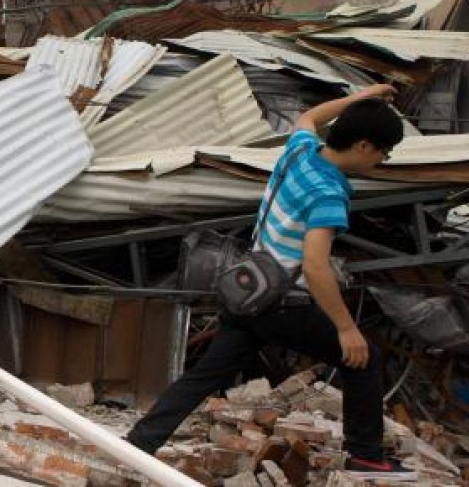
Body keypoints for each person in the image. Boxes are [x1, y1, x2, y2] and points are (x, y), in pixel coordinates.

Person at [125, 84, 416, 480]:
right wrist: (347, 328)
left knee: (204, 376)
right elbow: (315, 266)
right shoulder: (328, 191)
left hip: (248, 289)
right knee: (364, 359)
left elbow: (309, 117)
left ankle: (139, 443)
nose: (383, 159)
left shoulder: (301, 151)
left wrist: (359, 98)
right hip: (282, 304)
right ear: (364, 146)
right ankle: (365, 454)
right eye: (385, 151)